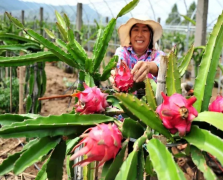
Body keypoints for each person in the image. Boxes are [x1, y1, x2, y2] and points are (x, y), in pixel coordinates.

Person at [110, 16, 165, 88]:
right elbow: (119, 63)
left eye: (145, 30)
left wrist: (149, 66)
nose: (139, 35)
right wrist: (118, 74)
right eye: (136, 30)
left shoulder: (158, 54)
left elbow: (162, 63)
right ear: (130, 34)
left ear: (150, 36)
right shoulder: (122, 51)